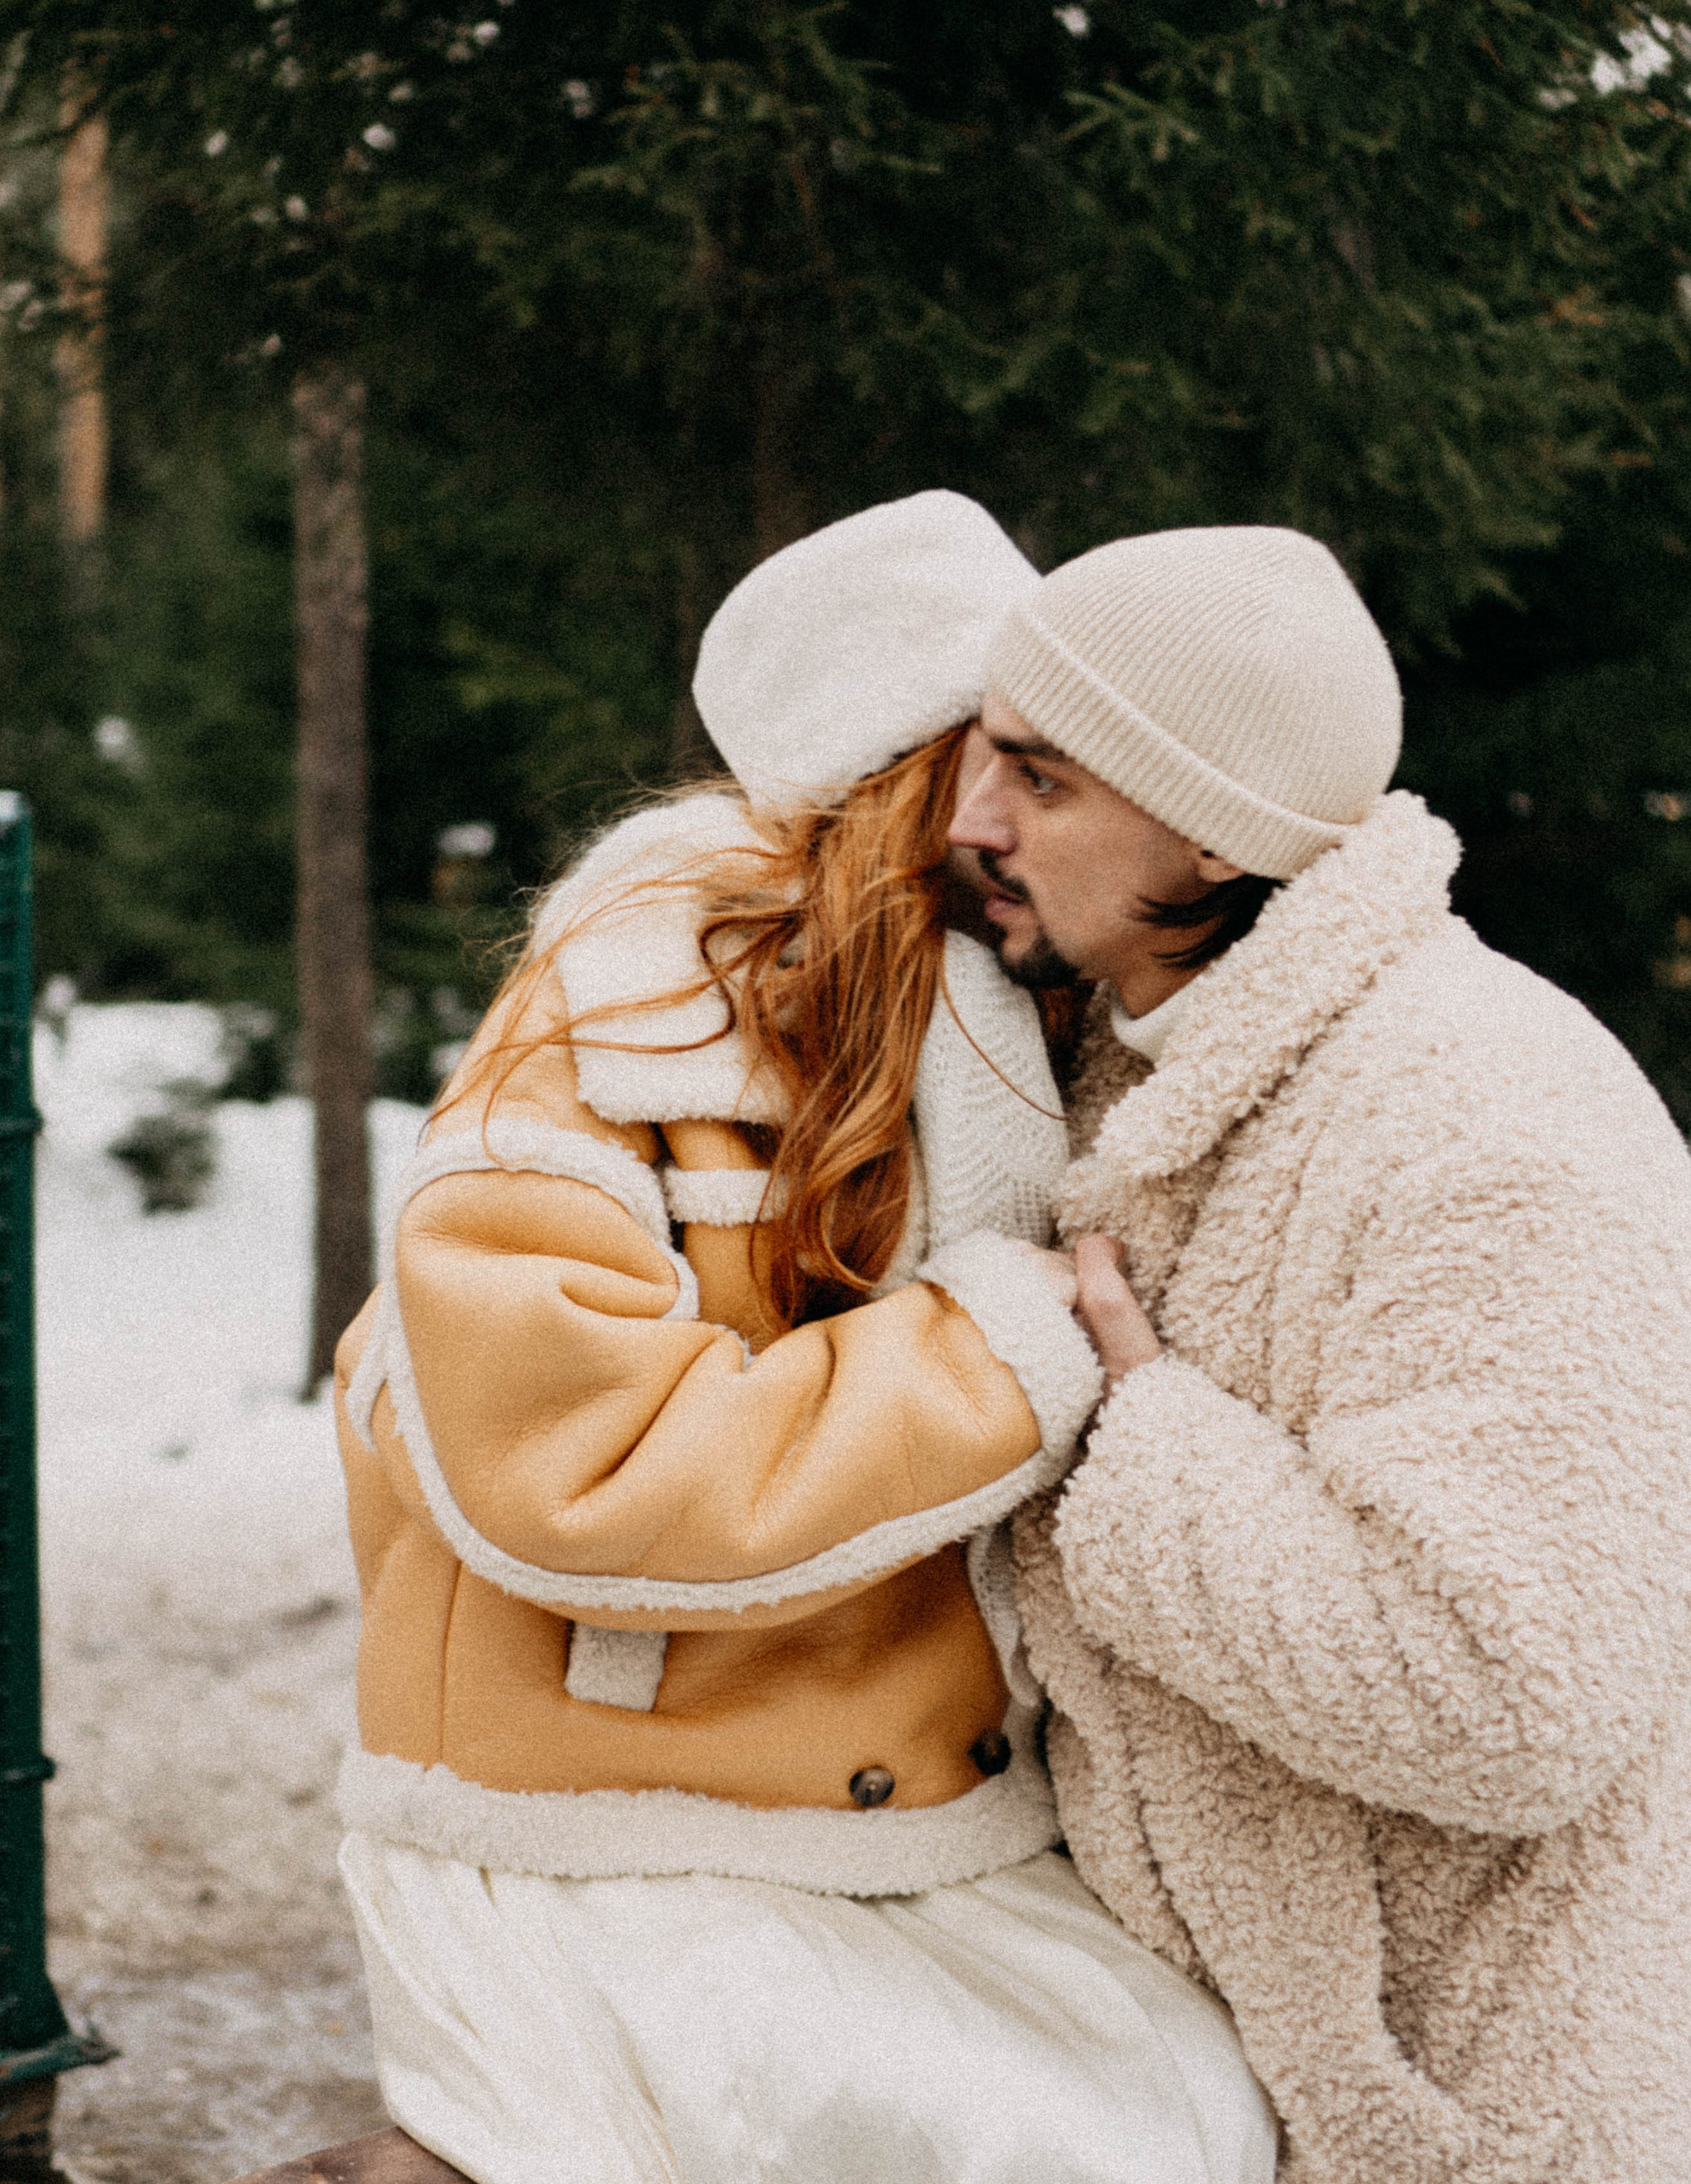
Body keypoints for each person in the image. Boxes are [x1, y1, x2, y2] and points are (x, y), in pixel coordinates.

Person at [332, 492, 1277, 2184]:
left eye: (1050, 772)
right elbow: (572, 1466)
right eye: (1002, 761)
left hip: (921, 1813)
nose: (1019, 812)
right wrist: (1003, 1347)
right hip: (610, 1820)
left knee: (1189, 2122)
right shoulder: (616, 1029)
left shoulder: (1020, 1008)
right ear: (901, 769)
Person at [947, 522, 1691, 2184]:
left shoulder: (1492, 1115)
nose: (971, 824)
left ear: (1209, 837)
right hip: (1197, 2098)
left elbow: (1511, 1697)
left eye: (1042, 781)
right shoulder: (1127, 1073)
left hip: (1473, 2121)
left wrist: (1135, 1435)